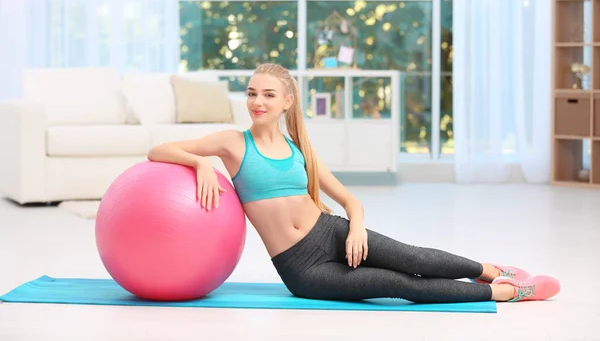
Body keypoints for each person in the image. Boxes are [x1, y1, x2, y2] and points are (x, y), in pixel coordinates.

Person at [148, 63, 560, 304]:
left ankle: (490, 269)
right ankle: (506, 294)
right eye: (252, 93)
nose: (257, 102)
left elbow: (348, 199)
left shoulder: (299, 150)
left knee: (412, 258)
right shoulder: (232, 143)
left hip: (332, 232)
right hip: (301, 267)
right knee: (400, 287)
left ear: (286, 102)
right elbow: (158, 149)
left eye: (268, 95)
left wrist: (355, 227)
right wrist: (200, 162)